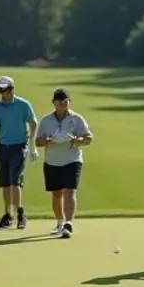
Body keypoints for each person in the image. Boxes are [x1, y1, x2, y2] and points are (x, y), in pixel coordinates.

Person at [35, 88, 93, 239]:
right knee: (56, 194)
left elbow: (88, 138)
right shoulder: (47, 120)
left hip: (72, 159)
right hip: (52, 161)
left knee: (69, 190)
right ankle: (60, 222)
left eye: (66, 101)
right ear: (54, 103)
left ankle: (68, 223)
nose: (63, 104)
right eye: (60, 101)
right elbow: (38, 141)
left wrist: (78, 140)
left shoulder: (76, 118)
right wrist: (46, 141)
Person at [0, 75, 38, 230]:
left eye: (4, 90)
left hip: (18, 146)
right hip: (1, 147)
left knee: (15, 181)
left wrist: (32, 145)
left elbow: (33, 123)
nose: (2, 93)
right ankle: (8, 214)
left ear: (11, 89)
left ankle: (20, 212)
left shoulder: (23, 104)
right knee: (5, 183)